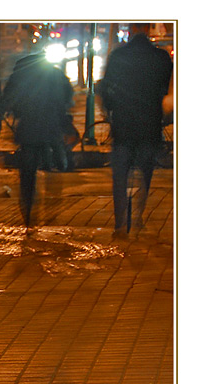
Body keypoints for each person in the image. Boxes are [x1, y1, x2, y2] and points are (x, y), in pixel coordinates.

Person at [97, 24, 173, 238]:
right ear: (148, 31)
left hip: (123, 125)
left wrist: (109, 109)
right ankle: (138, 216)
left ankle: (120, 223)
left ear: (129, 32)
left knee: (120, 176)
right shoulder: (161, 57)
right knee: (145, 172)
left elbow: (106, 87)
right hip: (149, 125)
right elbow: (164, 87)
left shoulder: (118, 55)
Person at [1, 49, 74, 227]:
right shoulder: (56, 74)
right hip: (51, 128)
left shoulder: (20, 76)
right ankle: (51, 206)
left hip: (28, 130)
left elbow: (8, 98)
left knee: (27, 174)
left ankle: (28, 211)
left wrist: (9, 109)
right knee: (53, 167)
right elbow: (67, 96)